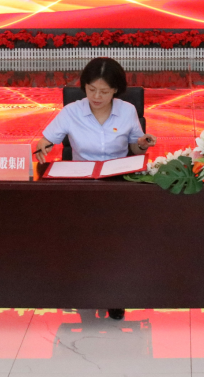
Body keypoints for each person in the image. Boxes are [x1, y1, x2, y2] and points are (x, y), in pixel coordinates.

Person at [34, 57, 155, 322]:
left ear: (115, 90)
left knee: (117, 241)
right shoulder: (72, 111)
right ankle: (83, 289)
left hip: (117, 183)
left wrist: (143, 144)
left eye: (104, 91)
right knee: (82, 239)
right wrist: (43, 147)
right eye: (91, 90)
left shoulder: (127, 111)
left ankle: (116, 295)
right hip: (82, 183)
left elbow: (135, 148)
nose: (96, 97)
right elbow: (46, 140)